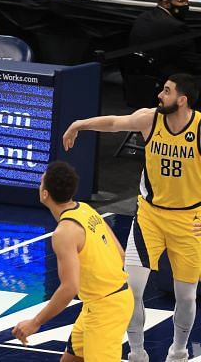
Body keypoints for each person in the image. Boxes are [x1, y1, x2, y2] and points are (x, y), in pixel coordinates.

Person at [63, 73, 201, 362]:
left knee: (186, 296)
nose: (160, 95)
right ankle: (138, 353)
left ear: (182, 99)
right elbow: (114, 123)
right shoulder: (150, 119)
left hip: (188, 221)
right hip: (149, 217)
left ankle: (178, 350)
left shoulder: (199, 129)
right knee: (131, 290)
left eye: (166, 91)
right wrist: (80, 124)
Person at [13, 161, 133, 362]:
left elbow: (69, 288)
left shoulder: (64, 233)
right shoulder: (85, 209)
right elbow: (120, 254)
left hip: (106, 310)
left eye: (41, 182)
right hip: (102, 301)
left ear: (45, 194)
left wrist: (35, 322)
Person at [129, 0, 201, 78]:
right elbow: (192, 62)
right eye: (181, 1)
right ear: (166, 3)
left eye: (187, 1)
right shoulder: (176, 27)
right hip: (165, 77)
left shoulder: (143, 16)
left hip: (136, 74)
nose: (186, 5)